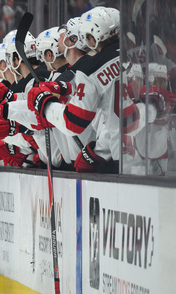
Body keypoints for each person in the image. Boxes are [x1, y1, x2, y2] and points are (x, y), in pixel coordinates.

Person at [26, 7, 138, 174]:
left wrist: (46, 104)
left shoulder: (92, 69)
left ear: (93, 37)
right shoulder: (138, 56)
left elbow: (74, 122)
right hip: (150, 153)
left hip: (119, 157)